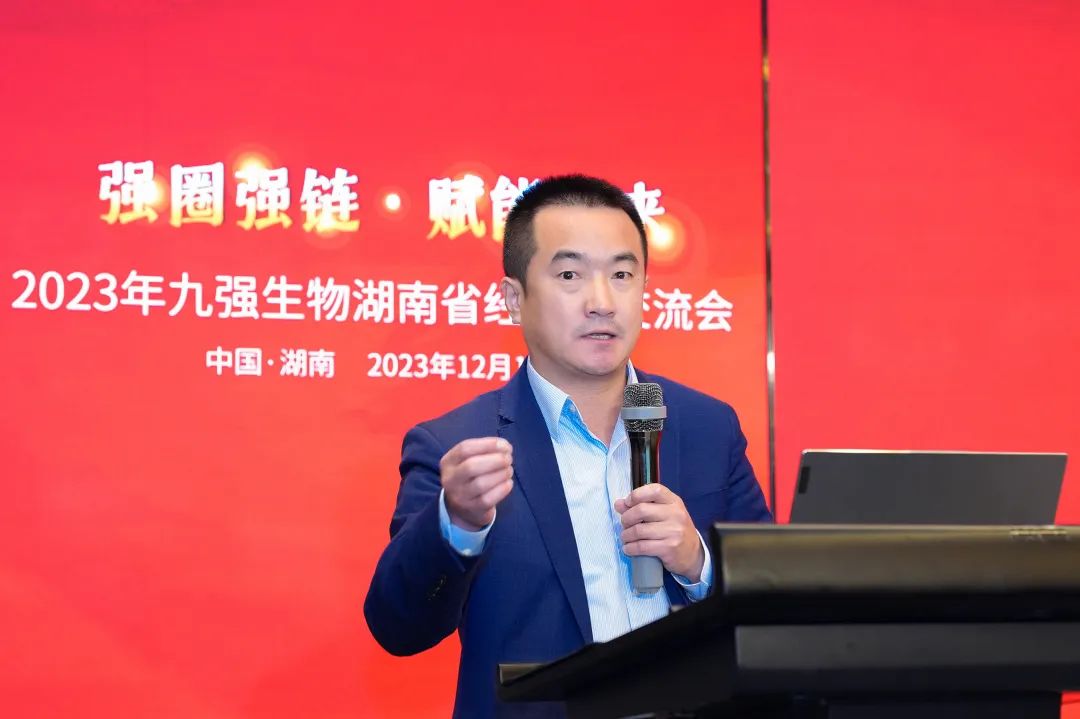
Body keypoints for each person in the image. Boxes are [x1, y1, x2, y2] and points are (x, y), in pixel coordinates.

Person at [364, 174, 772, 717]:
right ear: (514, 299)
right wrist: (456, 523)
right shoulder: (456, 445)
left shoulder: (707, 427)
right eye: (570, 275)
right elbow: (399, 626)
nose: (602, 302)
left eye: (622, 274)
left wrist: (698, 563)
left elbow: (775, 607)